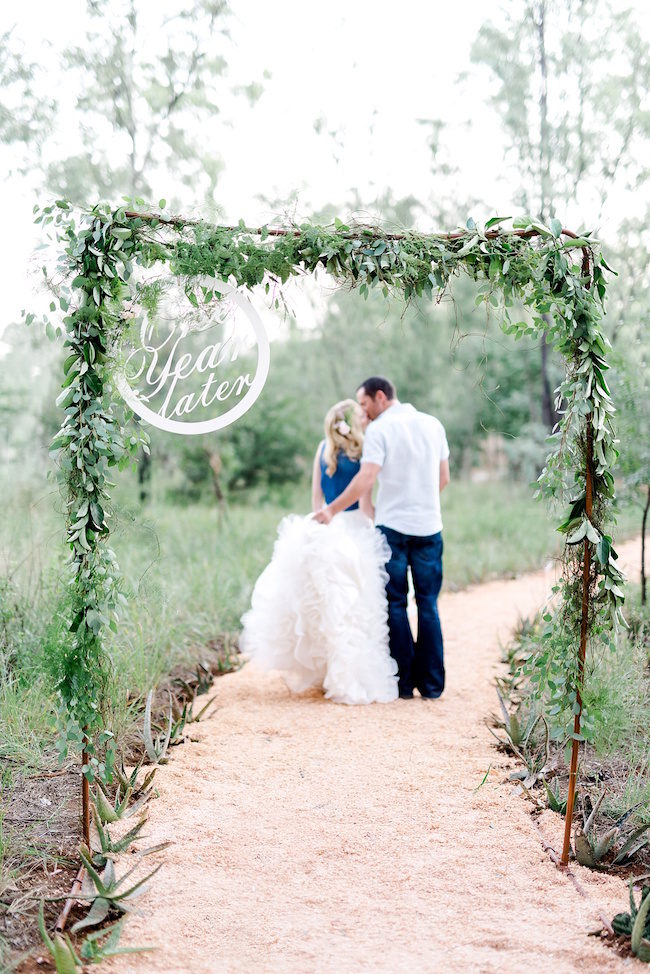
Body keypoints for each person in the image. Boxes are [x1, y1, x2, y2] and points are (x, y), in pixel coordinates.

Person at [239, 399, 398, 705]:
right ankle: (345, 675)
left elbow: (316, 499)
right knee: (353, 606)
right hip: (354, 530)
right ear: (353, 422)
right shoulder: (364, 451)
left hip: (326, 526)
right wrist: (381, 523)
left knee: (324, 606)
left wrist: (320, 527)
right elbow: (365, 505)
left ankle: (326, 673)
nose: (366, 418)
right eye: (361, 414)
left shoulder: (321, 450)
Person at [314, 377, 450, 700]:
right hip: (430, 526)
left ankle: (402, 684)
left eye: (363, 404)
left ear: (380, 397)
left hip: (392, 528)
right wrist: (421, 502)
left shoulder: (380, 430)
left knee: (396, 603)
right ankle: (432, 686)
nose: (362, 412)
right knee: (428, 604)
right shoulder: (434, 425)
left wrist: (331, 510)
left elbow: (367, 477)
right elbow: (443, 479)